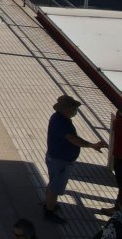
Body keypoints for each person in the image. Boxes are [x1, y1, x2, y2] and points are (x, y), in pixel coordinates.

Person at [43, 94, 108, 224]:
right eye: (73, 109)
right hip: (60, 161)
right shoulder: (62, 123)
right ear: (66, 109)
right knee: (55, 187)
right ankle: (49, 210)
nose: (75, 111)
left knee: (52, 183)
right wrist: (92, 145)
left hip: (54, 158)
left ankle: (49, 203)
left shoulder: (57, 118)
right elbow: (73, 139)